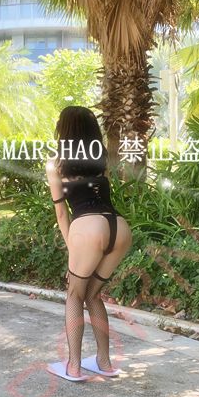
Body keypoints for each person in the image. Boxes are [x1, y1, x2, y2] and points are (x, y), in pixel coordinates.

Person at [45, 106, 132, 382]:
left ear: (64, 130)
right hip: (119, 227)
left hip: (88, 227)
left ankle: (73, 366)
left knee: (74, 294)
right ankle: (104, 363)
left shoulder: (56, 164)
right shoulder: (100, 160)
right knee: (93, 295)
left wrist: (73, 250)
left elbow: (62, 214)